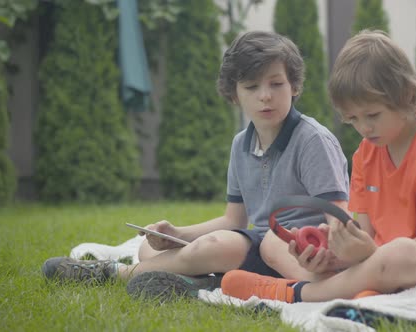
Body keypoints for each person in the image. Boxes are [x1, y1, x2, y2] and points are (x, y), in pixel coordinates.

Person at [41, 31, 349, 301]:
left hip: (295, 251)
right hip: (257, 244)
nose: (265, 96)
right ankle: (202, 283)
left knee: (217, 246)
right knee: (153, 250)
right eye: (252, 87)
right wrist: (177, 233)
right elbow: (234, 218)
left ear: (294, 86)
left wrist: (327, 257)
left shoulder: (312, 140)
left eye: (276, 84)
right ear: (234, 95)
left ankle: (113, 273)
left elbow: (339, 219)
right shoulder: (241, 143)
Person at [220, 30, 416, 303]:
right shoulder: (366, 152)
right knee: (273, 242)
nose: (364, 128)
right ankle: (361, 290)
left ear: (408, 96)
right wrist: (330, 252)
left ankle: (297, 292)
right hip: (376, 262)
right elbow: (363, 233)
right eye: (353, 119)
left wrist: (368, 253)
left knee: (402, 253)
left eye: (373, 115)